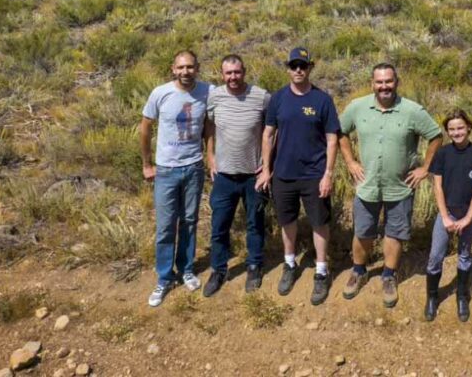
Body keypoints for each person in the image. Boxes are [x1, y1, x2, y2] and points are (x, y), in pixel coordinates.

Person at [339, 63, 443, 308]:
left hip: (400, 186)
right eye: (379, 82)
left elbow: (436, 136)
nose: (384, 86)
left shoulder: (412, 110)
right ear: (372, 83)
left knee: (395, 232)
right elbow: (340, 131)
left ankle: (388, 275)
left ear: (397, 82)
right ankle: (358, 271)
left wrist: (425, 168)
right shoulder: (357, 107)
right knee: (363, 231)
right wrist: (350, 161)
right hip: (368, 184)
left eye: (388, 81)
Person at [255, 47, 340, 305]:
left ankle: (321, 271)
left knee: (319, 223)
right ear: (288, 68)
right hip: (284, 174)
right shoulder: (278, 99)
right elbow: (268, 135)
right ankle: (290, 264)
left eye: (303, 65)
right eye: (294, 66)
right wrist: (267, 170)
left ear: (310, 67)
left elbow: (332, 138)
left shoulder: (322, 100)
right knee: (287, 221)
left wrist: (328, 174)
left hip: (314, 174)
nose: (298, 70)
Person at [139, 50, 210, 307]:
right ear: (173, 68)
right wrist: (147, 164)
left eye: (190, 67)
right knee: (166, 225)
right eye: (181, 67)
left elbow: (209, 126)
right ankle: (164, 277)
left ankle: (187, 268)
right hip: (166, 169)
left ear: (197, 68)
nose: (185, 72)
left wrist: (210, 156)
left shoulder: (206, 91)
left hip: (193, 167)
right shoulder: (160, 93)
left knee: (190, 220)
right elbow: (145, 127)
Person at [203, 54, 271, 296]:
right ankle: (218, 270)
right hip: (224, 175)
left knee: (255, 224)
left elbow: (271, 131)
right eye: (228, 73)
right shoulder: (215, 96)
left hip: (254, 174)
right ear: (222, 74)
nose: (233, 77)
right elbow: (209, 126)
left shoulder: (261, 96)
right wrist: (210, 156)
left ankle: (254, 266)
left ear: (244, 72)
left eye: (237, 72)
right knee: (219, 225)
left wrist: (267, 165)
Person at [424, 110, 472, 322]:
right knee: (435, 256)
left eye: (460, 127)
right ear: (447, 131)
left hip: (468, 214)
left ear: (469, 127)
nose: (457, 132)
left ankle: (462, 296)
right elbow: (437, 187)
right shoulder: (443, 153)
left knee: (464, 255)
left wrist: (469, 218)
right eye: (452, 129)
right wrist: (445, 217)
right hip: (447, 213)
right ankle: (432, 297)